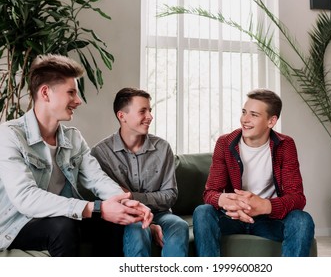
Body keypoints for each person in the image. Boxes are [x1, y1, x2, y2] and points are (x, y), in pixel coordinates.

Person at [0, 54, 153, 257]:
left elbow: (97, 179)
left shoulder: (73, 138)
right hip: (18, 224)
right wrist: (95, 208)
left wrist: (126, 203)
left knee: (117, 220)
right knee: (63, 227)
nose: (78, 101)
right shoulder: (9, 135)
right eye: (71, 92)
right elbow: (25, 198)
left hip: (61, 215)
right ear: (45, 93)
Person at [193, 88, 315, 257]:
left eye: (254, 115)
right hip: (233, 217)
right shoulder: (225, 143)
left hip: (269, 219)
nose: (245, 119)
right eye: (244, 112)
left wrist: (265, 206)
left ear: (271, 121)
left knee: (302, 220)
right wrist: (228, 201)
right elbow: (210, 193)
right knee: (202, 212)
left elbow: (297, 198)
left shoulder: (285, 145)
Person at [91, 87, 189, 257]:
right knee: (137, 228)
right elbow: (111, 199)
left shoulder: (162, 148)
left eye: (149, 111)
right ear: (122, 116)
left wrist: (130, 196)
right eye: (143, 111)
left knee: (179, 225)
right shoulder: (102, 153)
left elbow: (170, 195)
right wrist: (140, 211)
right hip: (126, 217)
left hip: (161, 215)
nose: (150, 117)